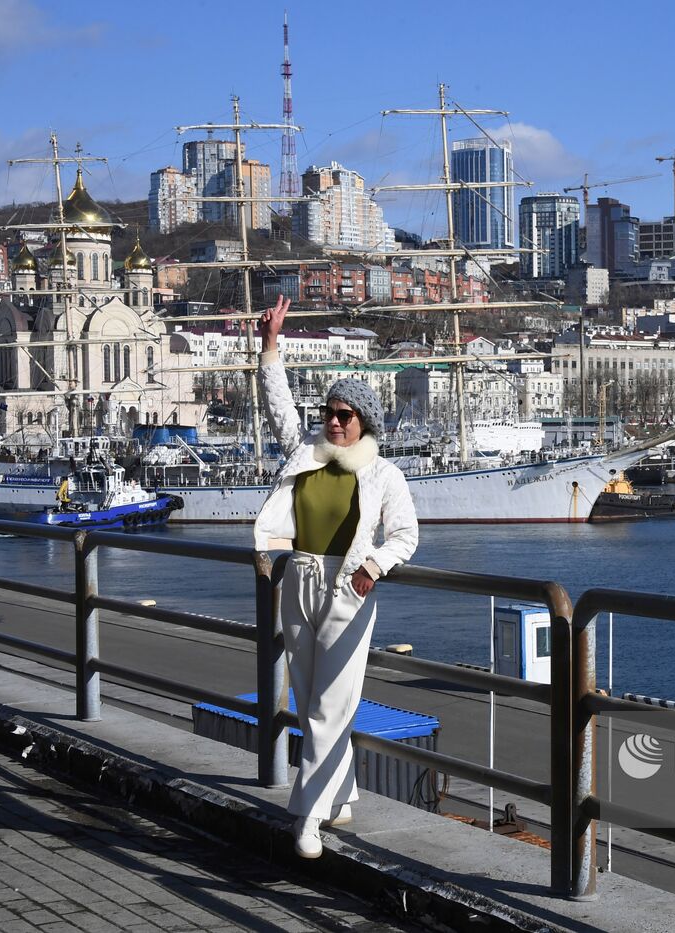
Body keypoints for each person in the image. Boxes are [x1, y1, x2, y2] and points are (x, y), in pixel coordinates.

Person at [252, 296, 419, 858]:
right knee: (307, 698)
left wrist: (374, 567)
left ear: (364, 422)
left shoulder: (383, 474)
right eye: (330, 411)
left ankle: (307, 816)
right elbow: (277, 405)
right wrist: (271, 342)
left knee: (331, 704)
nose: (334, 421)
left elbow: (405, 536)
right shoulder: (302, 453)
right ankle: (341, 793)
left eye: (345, 415)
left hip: (350, 588)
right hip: (297, 579)